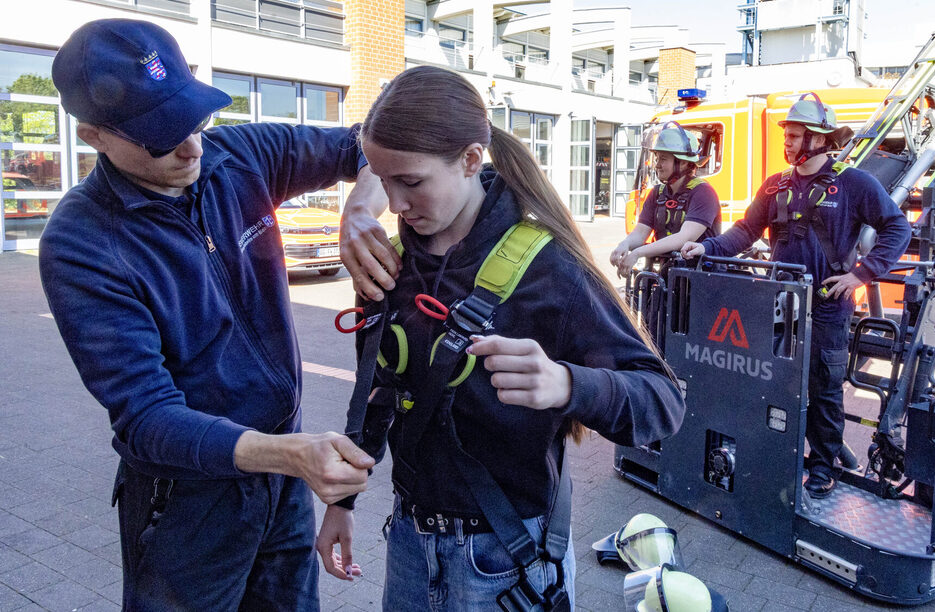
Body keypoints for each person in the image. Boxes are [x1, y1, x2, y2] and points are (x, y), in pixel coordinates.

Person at [39, 19, 387, 610]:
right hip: (187, 504)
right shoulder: (82, 242)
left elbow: (375, 147)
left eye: (193, 119)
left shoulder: (240, 155)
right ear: (94, 136)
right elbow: (147, 417)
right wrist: (292, 455)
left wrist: (360, 208)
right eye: (160, 136)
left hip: (282, 481)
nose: (193, 148)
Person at [315, 65, 686, 610]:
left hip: (507, 562)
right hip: (410, 546)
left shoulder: (548, 269)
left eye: (411, 182)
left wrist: (567, 384)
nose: (394, 205)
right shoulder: (391, 263)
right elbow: (379, 391)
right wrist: (343, 501)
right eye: (381, 179)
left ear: (470, 160)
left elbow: (664, 403)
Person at [680, 93, 911, 498]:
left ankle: (822, 468)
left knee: (822, 389)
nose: (787, 142)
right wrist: (707, 247)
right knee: (773, 384)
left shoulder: (853, 184)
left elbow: (897, 228)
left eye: (795, 135)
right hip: (782, 307)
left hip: (826, 309)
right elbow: (745, 232)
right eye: (786, 134)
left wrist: (861, 275)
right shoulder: (776, 186)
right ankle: (774, 457)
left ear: (820, 139)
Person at [610, 123, 721, 278]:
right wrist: (625, 244)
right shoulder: (657, 193)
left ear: (682, 162)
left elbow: (685, 238)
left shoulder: (703, 193)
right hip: (668, 276)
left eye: (663, 159)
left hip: (701, 280)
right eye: (657, 158)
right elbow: (641, 232)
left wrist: (638, 252)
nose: (657, 165)